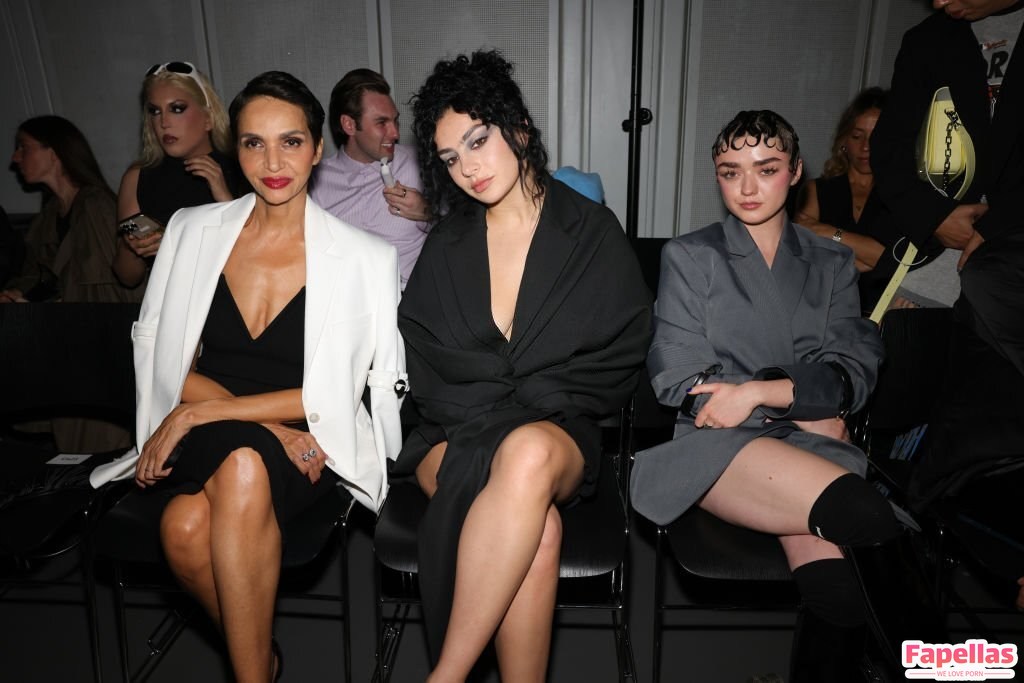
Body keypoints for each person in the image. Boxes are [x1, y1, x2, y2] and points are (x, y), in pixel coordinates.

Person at [90, 71, 405, 682]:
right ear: (235, 150)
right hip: (257, 429)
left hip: (312, 438)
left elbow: (336, 396)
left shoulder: (367, 257)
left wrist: (200, 413)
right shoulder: (191, 231)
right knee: (208, 502)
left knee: (192, 520)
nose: (273, 162)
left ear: (317, 148)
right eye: (254, 143)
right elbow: (164, 360)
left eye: (291, 142)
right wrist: (250, 424)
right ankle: (260, 664)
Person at [630, 111, 942, 680]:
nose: (747, 187)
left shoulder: (832, 261)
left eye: (766, 168)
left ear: (796, 171)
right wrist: (805, 402)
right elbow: (678, 375)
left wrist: (761, 391)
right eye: (731, 172)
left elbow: (855, 368)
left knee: (840, 591)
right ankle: (940, 669)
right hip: (716, 448)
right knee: (867, 514)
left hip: (807, 448)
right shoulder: (691, 255)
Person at [396, 50, 651, 681]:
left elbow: (621, 353)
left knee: (528, 453)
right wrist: (495, 403)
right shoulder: (446, 244)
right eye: (449, 158)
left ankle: (444, 676)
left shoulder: (590, 231)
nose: (468, 168)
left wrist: (525, 401)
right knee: (538, 535)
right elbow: (424, 361)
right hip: (452, 431)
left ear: (519, 128)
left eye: (478, 140)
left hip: (554, 432)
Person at [871, 0, 1024, 611]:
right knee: (890, 387)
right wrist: (936, 218)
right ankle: (894, 561)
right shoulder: (929, 39)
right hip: (939, 246)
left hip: (1006, 254)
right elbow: (891, 150)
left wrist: (1001, 228)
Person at [4, 115, 141, 452]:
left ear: (54, 152)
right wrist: (19, 294)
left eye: (24, 147)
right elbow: (43, 274)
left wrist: (44, 310)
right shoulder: (51, 214)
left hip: (101, 357)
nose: (15, 158)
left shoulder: (96, 207)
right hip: (71, 351)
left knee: (98, 451)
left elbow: (116, 292)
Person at [793, 87, 935, 309]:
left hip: (886, 311)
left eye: (876, 137)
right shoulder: (816, 189)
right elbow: (803, 259)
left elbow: (896, 263)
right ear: (843, 140)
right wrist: (871, 257)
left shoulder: (905, 196)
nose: (866, 147)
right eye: (857, 136)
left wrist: (828, 232)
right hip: (827, 309)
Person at [112, 61, 243, 290]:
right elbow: (128, 278)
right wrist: (131, 246)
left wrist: (225, 199)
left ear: (208, 117)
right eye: (155, 111)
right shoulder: (137, 178)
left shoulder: (243, 167)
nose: (164, 123)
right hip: (170, 303)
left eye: (177, 109)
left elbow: (258, 256)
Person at [311, 68, 431, 288]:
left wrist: (427, 211)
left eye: (395, 121)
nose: (395, 133)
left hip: (414, 298)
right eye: (381, 123)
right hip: (349, 299)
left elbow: (464, 226)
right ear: (349, 125)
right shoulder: (316, 183)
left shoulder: (421, 163)